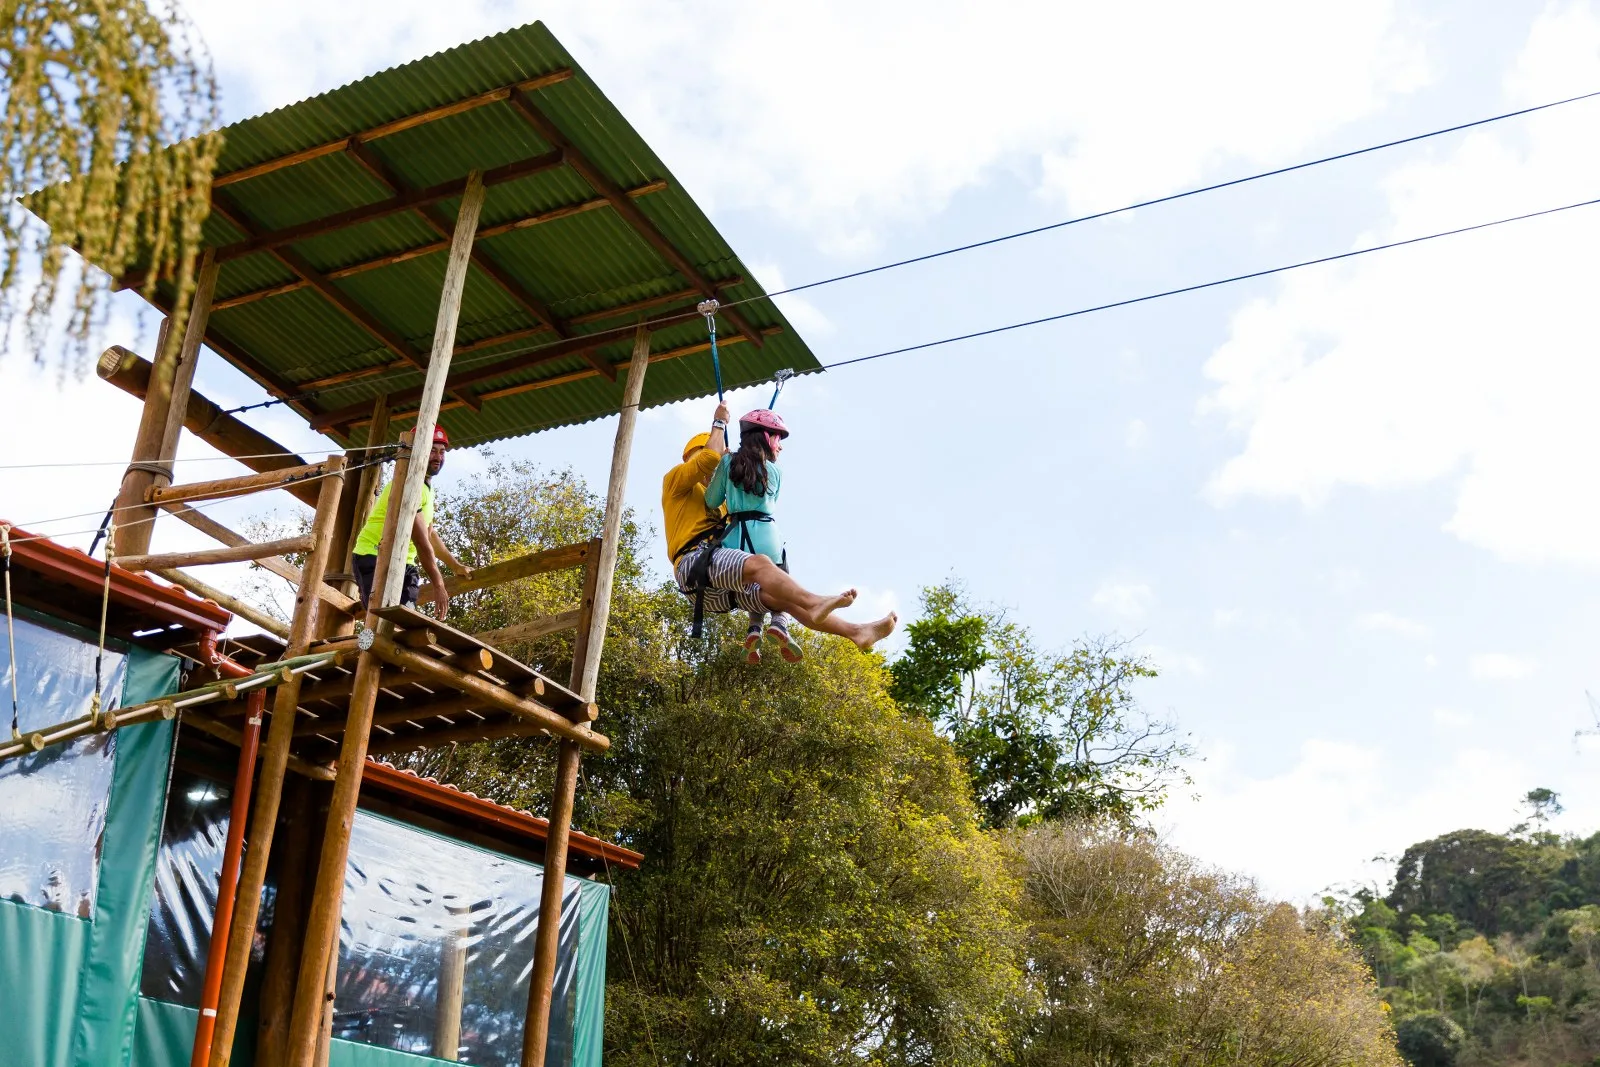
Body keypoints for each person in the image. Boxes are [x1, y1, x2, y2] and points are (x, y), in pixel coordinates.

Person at [662, 402, 897, 651]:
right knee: (761, 563)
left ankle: (857, 632)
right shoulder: (676, 481)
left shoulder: (721, 500)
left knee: (781, 597)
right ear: (692, 456)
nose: (716, 464)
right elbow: (708, 458)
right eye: (712, 456)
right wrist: (719, 422)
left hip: (715, 590)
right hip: (693, 564)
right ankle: (814, 601)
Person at [705, 408, 797, 663]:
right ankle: (779, 621)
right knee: (780, 580)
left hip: (735, 539)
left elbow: (712, 500)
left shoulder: (728, 462)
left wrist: (723, 469)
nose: (780, 447)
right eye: (778, 440)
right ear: (767, 439)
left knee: (749, 584)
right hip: (767, 535)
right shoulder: (776, 471)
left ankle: (754, 629)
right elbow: (772, 503)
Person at [351, 425, 472, 620]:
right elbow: (421, 542)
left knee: (405, 619)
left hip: (404, 562)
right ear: (418, 452)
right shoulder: (408, 483)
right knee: (380, 617)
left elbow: (430, 534)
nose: (438, 457)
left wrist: (455, 565)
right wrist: (439, 585)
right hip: (373, 554)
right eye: (432, 450)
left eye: (442, 452)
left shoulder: (428, 490)